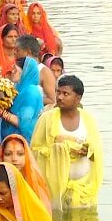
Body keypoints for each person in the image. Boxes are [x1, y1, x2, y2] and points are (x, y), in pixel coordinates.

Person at [31, 74, 103, 211]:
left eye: (65, 94)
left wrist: (88, 151)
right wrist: (59, 149)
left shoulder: (88, 119)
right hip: (54, 192)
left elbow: (98, 154)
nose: (59, 97)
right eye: (58, 92)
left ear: (78, 98)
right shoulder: (46, 119)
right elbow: (34, 152)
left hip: (84, 192)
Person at [0, 134, 51, 212]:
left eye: (20, 154)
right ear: (2, 156)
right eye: (8, 154)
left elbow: (44, 217)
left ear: (27, 156)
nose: (14, 159)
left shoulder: (36, 185)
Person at [0, 56, 43, 143]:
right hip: (11, 138)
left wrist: (4, 114)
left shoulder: (31, 92)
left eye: (16, 70)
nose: (12, 72)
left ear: (25, 72)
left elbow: (25, 123)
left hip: (23, 141)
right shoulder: (19, 88)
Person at [15, 34, 56, 106]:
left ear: (28, 52)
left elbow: (52, 100)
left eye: (18, 50)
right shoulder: (17, 69)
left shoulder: (44, 72)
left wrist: (27, 99)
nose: (14, 53)